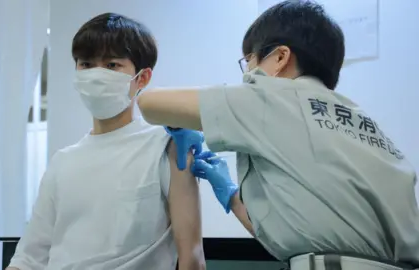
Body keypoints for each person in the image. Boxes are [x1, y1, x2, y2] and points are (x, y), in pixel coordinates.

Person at [136, 1, 419, 270]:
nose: (247, 71)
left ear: (280, 57)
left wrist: (182, 122)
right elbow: (308, 236)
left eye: (249, 60)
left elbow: (149, 103)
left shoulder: (273, 97)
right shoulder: (361, 120)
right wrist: (231, 195)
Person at [7, 13, 205, 270]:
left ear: (142, 78)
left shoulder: (167, 148)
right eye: (86, 64)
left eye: (112, 65)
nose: (96, 75)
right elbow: (28, 258)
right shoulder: (63, 161)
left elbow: (192, 258)